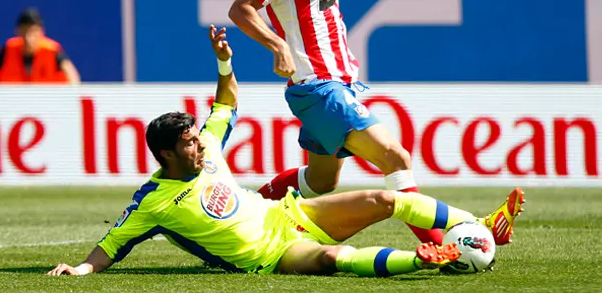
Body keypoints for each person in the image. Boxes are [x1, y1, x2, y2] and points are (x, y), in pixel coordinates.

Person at [48, 26, 525, 278]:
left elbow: (226, 100)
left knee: (383, 200)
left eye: (196, 136)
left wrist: (223, 59)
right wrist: (83, 267)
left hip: (288, 214)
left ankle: (482, 227)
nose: (199, 143)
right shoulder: (152, 200)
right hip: (270, 254)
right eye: (189, 142)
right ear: (166, 156)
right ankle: (423, 261)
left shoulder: (209, 146)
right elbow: (113, 244)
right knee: (333, 260)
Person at [227, 0, 456, 247]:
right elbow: (241, 9)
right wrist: (277, 45)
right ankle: (442, 248)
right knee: (395, 157)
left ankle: (243, 214)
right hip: (320, 86)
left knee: (321, 182)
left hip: (337, 84)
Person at [0, 8, 80, 84]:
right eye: (25, 31)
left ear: (41, 32)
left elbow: (70, 72)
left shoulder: (52, 51)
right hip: (15, 107)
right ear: (18, 31)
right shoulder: (9, 49)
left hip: (48, 107)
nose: (29, 37)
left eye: (33, 31)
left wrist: (72, 95)